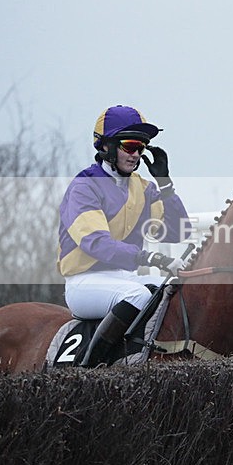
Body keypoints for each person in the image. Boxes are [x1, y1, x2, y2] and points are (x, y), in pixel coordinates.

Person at [57, 105, 191, 367]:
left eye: (141, 147)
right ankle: (89, 369)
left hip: (125, 278)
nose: (136, 154)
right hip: (85, 282)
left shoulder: (144, 188)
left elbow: (178, 232)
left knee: (175, 290)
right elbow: (96, 243)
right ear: (106, 146)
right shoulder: (84, 186)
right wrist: (149, 257)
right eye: (130, 146)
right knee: (139, 297)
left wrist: (165, 184)